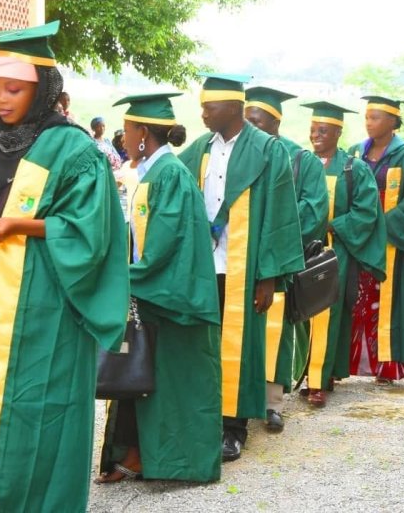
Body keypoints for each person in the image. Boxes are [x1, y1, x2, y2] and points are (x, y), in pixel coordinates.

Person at [0, 21, 129, 511]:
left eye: (14, 88)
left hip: (48, 302)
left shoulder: (76, 149)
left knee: (41, 414)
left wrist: (20, 225)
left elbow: (93, 231)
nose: (3, 98)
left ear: (43, 90)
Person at [97, 93, 221, 483]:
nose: (123, 137)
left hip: (171, 300)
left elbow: (164, 245)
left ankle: (174, 461)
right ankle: (135, 455)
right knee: (137, 374)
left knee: (168, 381)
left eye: (129, 130)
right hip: (152, 295)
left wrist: (124, 275)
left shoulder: (170, 175)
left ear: (143, 135)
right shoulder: (152, 172)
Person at [179, 73, 303, 462]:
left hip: (244, 266)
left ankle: (233, 428)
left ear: (232, 108)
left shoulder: (267, 150)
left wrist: (268, 277)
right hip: (204, 266)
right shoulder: (200, 149)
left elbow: (281, 216)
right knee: (203, 345)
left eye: (208, 107)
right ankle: (203, 419)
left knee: (239, 346)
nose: (202, 114)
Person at [244, 86, 329, 430]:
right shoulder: (239, 158)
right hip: (239, 258)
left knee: (275, 330)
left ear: (275, 121)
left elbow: (314, 208)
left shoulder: (300, 159)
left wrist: (273, 231)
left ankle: (271, 402)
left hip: (278, 259)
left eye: (256, 120)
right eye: (246, 120)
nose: (249, 126)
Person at [298, 101, 386, 406]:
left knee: (330, 313)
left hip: (337, 252)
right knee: (303, 314)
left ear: (338, 132)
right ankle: (310, 372)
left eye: (323, 130)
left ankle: (318, 381)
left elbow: (366, 211)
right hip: (303, 250)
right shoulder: (301, 163)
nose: (316, 136)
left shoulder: (354, 168)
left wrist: (331, 223)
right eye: (312, 130)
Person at [348, 96, 404, 383]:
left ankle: (386, 366)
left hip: (392, 246)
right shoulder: (355, 153)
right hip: (360, 243)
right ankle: (351, 363)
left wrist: (377, 225)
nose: (369, 122)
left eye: (375, 117)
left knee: (388, 305)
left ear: (392, 122)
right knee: (356, 301)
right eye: (366, 117)